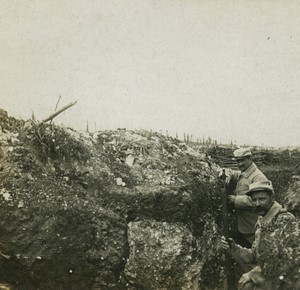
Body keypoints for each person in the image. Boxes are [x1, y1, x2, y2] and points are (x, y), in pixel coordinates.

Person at [220, 180, 295, 290]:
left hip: (286, 277)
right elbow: (254, 256)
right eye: (254, 200)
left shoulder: (284, 220)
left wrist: (252, 275)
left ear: (272, 198)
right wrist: (233, 248)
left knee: (248, 286)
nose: (257, 203)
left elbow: (283, 260)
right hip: (269, 273)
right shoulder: (263, 219)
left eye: (262, 199)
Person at [223, 147, 268, 247]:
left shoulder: (258, 177)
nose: (240, 164)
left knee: (252, 257)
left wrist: (235, 199)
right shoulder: (244, 173)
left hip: (252, 229)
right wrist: (227, 173)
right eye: (238, 161)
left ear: (250, 159)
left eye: (242, 160)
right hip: (243, 226)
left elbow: (261, 202)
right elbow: (233, 173)